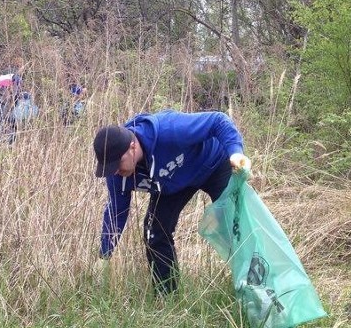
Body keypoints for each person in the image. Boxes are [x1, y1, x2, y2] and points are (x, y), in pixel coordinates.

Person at [93, 110, 251, 294]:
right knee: (154, 232)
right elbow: (116, 213)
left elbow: (218, 121)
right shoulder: (116, 174)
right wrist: (105, 254)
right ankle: (166, 295)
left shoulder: (169, 130)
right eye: (110, 166)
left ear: (132, 147)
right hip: (173, 184)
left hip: (211, 164)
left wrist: (235, 153)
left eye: (117, 163)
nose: (115, 171)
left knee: (235, 222)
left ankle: (256, 285)